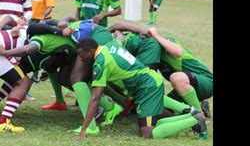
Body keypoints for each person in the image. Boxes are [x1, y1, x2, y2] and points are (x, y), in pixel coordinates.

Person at [76, 38, 208, 140]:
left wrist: (85, 128)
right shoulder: (110, 45)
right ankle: (190, 113)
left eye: (82, 55)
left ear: (90, 51)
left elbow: (95, 98)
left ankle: (194, 118)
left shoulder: (101, 63)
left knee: (148, 132)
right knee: (154, 121)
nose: (81, 59)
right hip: (148, 82)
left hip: (147, 87)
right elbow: (119, 39)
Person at [148, 27, 213, 116]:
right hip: (185, 88)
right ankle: (199, 104)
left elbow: (177, 52)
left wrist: (155, 35)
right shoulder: (152, 57)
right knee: (156, 108)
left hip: (207, 82)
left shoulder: (166, 42)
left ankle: (198, 116)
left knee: (176, 78)